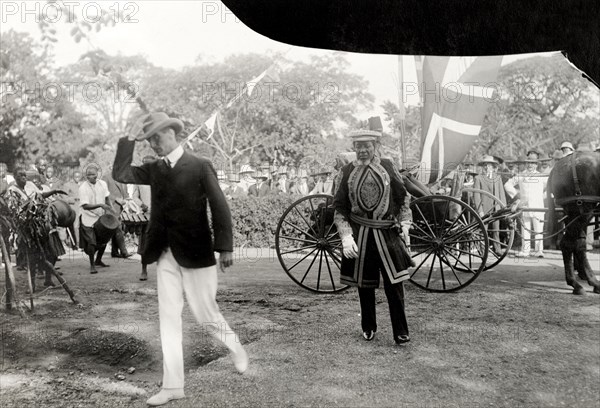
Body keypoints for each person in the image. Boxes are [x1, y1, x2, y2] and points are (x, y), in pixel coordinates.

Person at [112, 112, 248, 406]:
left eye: (157, 137)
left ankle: (235, 347)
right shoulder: (154, 169)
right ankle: (173, 386)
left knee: (206, 315)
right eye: (149, 139)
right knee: (168, 319)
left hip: (197, 252)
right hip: (164, 254)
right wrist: (129, 139)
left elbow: (219, 206)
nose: (154, 143)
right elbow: (121, 174)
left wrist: (225, 247)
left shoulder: (199, 165)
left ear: (173, 133)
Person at [333, 128, 413, 346]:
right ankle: (368, 325)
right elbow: (339, 207)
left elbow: (403, 197)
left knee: (394, 284)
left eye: (367, 146)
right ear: (354, 148)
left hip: (387, 234)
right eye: (358, 147)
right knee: (364, 285)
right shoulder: (347, 171)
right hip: (360, 234)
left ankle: (401, 331)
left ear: (375, 147)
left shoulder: (388, 166)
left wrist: (405, 223)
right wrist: (346, 236)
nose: (363, 151)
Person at [506, 153, 547, 258]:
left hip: (538, 206)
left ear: (536, 164)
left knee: (538, 229)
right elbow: (507, 185)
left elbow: (550, 188)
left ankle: (539, 251)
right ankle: (526, 251)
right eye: (529, 163)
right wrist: (517, 196)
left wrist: (541, 197)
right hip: (525, 206)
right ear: (526, 163)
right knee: (526, 229)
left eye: (533, 163)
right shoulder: (521, 175)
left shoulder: (541, 176)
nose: (530, 165)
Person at [79, 164, 113, 274]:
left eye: (94, 174)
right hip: (88, 217)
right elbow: (85, 206)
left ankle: (98, 260)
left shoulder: (102, 184)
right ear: (86, 176)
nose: (92, 176)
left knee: (104, 239)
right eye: (89, 175)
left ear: (97, 174)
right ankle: (92, 265)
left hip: (100, 216)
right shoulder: (83, 187)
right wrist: (100, 205)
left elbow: (107, 197)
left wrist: (110, 209)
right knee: (91, 242)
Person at [472, 155, 507, 255]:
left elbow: (501, 194)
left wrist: (503, 207)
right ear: (483, 167)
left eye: (489, 165)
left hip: (496, 208)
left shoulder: (497, 178)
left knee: (496, 230)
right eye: (485, 166)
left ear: (493, 167)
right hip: (484, 208)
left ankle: (497, 249)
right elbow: (476, 195)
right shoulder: (478, 178)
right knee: (484, 230)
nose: (487, 168)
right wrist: (480, 210)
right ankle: (482, 250)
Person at [132, 155, 156, 281]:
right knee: (144, 244)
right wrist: (142, 205)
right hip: (145, 216)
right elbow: (134, 196)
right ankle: (144, 271)